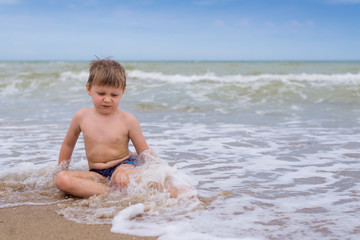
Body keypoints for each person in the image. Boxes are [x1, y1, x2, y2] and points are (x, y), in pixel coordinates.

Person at [55, 59, 150, 198]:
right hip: (97, 173)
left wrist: (160, 172)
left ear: (122, 92)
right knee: (61, 180)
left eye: (114, 95)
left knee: (121, 178)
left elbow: (145, 152)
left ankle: (115, 190)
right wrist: (59, 170)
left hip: (124, 165)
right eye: (101, 93)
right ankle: (110, 193)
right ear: (89, 89)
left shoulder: (128, 120)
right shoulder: (81, 117)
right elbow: (68, 145)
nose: (107, 99)